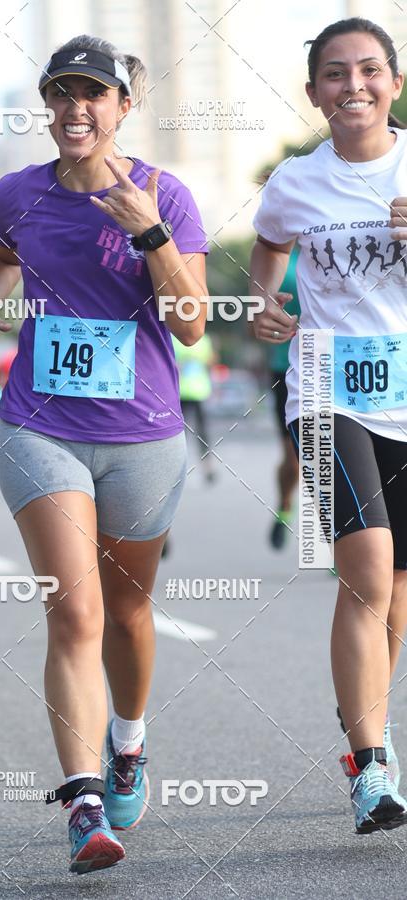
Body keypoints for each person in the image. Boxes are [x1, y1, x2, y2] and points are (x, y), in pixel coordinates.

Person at [0, 35, 209, 873]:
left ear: (122, 108)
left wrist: (150, 236)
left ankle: (129, 744)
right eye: (63, 92)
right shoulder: (17, 193)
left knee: (128, 611)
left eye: (93, 94)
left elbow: (191, 322)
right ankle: (84, 804)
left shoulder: (165, 195)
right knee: (74, 612)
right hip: (40, 427)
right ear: (48, 104)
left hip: (143, 435)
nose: (77, 107)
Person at [251, 17, 407, 834]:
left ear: (395, 82)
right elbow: (268, 246)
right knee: (368, 574)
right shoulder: (294, 182)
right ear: (314, 93)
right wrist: (267, 301)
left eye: (370, 71)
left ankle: (363, 738)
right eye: (336, 74)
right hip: (325, 393)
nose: (354, 86)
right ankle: (373, 770)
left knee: (399, 595)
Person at [265, 246, 301, 549]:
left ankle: (337, 539)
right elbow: (255, 313)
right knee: (295, 458)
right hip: (286, 369)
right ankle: (285, 506)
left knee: (329, 457)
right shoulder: (277, 248)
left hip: (337, 365)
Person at [173, 331, 216, 482]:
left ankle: (203, 467)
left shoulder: (174, 337)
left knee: (184, 434)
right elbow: (211, 362)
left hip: (191, 391)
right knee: (201, 434)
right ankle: (206, 467)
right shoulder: (203, 339)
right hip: (190, 392)